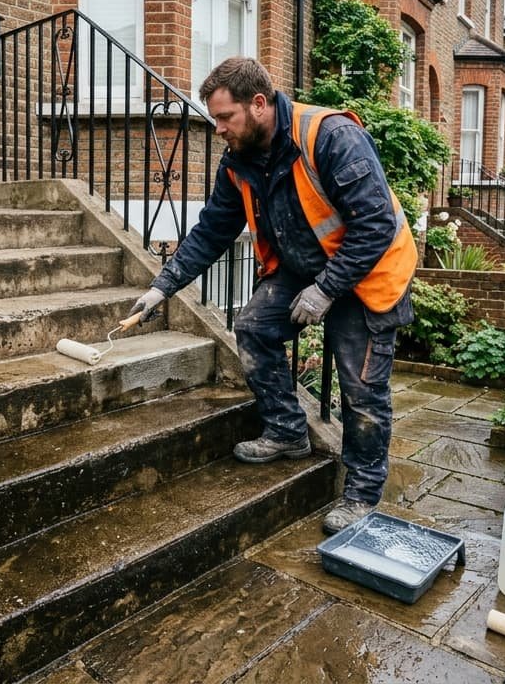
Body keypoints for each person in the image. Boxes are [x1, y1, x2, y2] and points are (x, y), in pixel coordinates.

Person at [129, 57, 417, 535]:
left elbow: (376, 225)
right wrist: (162, 286)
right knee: (253, 327)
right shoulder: (239, 160)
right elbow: (213, 230)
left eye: (225, 118)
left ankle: (362, 494)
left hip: (368, 272)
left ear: (258, 104)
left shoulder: (329, 137)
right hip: (304, 267)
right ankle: (287, 430)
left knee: (362, 392)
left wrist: (326, 290)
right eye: (214, 118)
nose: (217, 128)